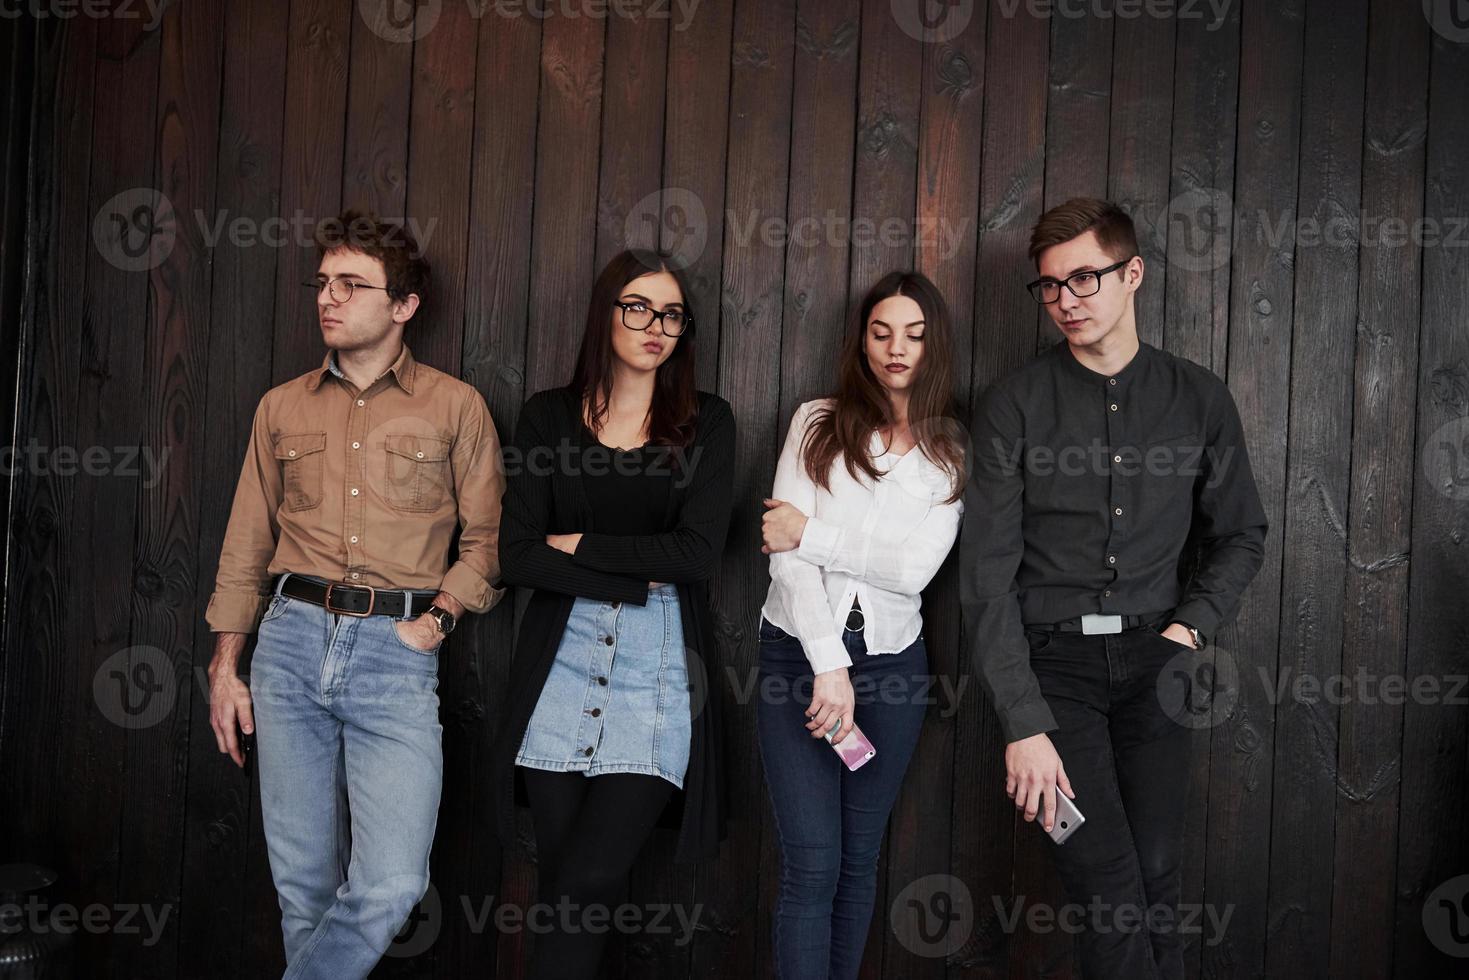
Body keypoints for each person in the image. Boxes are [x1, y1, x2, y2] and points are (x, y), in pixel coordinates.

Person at [963, 197, 1268, 978]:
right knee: (1104, 891)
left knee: (1157, 879)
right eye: (1050, 286)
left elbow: (1240, 532)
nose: (1065, 300)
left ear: (1131, 274)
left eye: (1084, 279)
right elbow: (986, 576)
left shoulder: (1199, 398)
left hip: (1157, 672)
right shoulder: (1012, 405)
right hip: (1050, 679)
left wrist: (1187, 630)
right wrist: (1022, 722)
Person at [204, 210, 505, 979]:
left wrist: (435, 623)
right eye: (323, 283)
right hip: (290, 644)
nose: (327, 299)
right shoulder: (281, 406)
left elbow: (487, 543)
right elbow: (247, 543)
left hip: (396, 656)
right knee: (300, 887)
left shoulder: (455, 407)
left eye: (351, 285)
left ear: (403, 306)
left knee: (393, 881)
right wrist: (225, 665)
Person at [489, 248, 735, 979]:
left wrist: (582, 545)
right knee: (568, 879)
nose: (654, 325)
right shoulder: (547, 417)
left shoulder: (706, 422)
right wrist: (633, 575)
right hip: (558, 668)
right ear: (606, 313)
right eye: (637, 307)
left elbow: (695, 555)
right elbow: (517, 555)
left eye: (670, 314)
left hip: (655, 670)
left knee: (586, 883)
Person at [756, 271, 965, 979]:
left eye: (913, 334)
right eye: (880, 332)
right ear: (861, 340)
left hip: (892, 669)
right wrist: (827, 664)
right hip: (796, 660)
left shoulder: (951, 453)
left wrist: (809, 532)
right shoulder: (816, 421)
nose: (895, 349)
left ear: (934, 344)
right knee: (810, 865)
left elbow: (910, 573)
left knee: (855, 861)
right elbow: (783, 564)